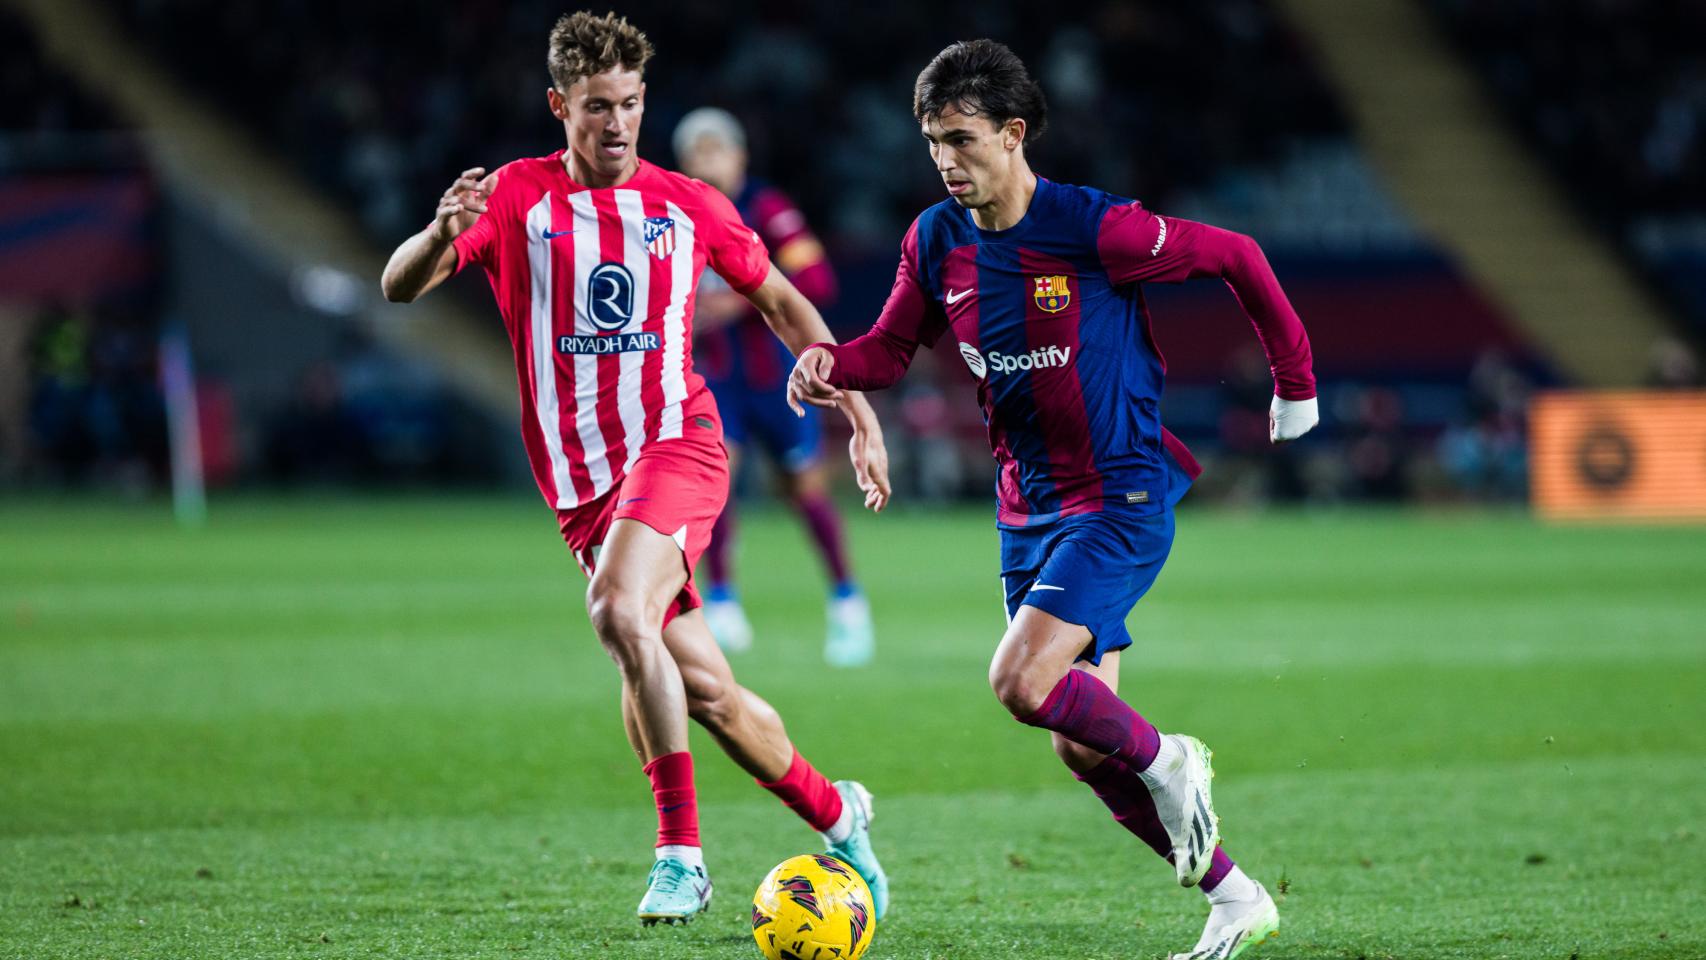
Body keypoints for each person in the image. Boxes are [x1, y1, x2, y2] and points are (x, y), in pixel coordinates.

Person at [788, 40, 1317, 960]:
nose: (944, 159)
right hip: (1025, 508)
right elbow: (889, 349)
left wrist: (1295, 383)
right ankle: (1236, 898)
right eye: (931, 141)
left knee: (1020, 681)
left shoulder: (1094, 228)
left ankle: (1172, 760)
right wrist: (830, 363)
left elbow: (1237, 255)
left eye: (961, 138)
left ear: (1013, 133)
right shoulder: (935, 239)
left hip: (1120, 494)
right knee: (1079, 744)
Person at [379, 11, 889, 927]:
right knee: (709, 694)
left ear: (644, 101)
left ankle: (680, 857)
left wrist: (854, 406)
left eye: (628, 104)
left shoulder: (688, 203)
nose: (615, 123)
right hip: (582, 486)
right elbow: (400, 285)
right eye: (595, 106)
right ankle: (839, 813)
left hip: (677, 442)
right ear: (560, 106)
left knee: (618, 610)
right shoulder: (514, 198)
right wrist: (435, 230)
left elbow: (780, 298)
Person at [672, 107, 874, 666]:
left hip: (778, 379)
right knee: (716, 481)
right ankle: (721, 601)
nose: (706, 162)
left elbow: (815, 279)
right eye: (695, 153)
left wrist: (738, 301)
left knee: (803, 490)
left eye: (715, 149)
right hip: (717, 380)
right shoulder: (676, 214)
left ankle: (847, 600)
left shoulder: (769, 210)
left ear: (739, 156)